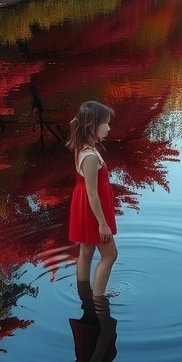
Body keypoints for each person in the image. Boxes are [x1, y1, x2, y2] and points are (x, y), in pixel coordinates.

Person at [67, 100, 117, 298]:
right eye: (105, 123)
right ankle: (98, 300)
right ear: (93, 126)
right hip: (92, 209)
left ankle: (83, 295)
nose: (108, 128)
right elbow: (92, 192)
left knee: (86, 252)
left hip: (84, 206)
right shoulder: (90, 156)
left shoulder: (83, 148)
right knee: (110, 255)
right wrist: (102, 224)